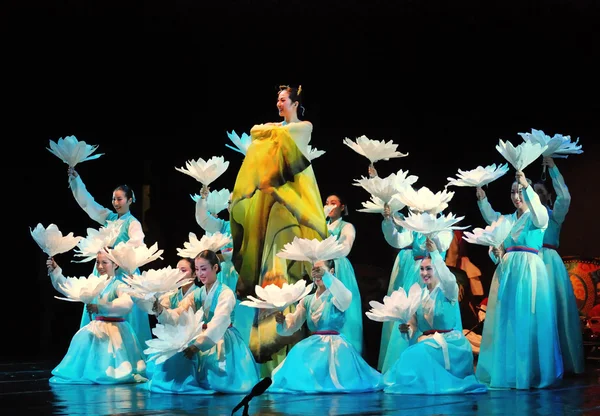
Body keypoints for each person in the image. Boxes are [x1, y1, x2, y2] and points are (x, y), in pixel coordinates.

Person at [229, 85, 328, 372]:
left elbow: (272, 136)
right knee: (270, 273)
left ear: (295, 103)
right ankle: (269, 355)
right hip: (271, 205)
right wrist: (267, 132)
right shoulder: (276, 129)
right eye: (277, 100)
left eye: (283, 99)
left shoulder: (303, 126)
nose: (278, 104)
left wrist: (268, 132)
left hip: (294, 204)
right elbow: (255, 132)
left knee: (291, 273)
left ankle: (293, 355)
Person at [475, 170, 563, 389]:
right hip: (507, 271)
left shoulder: (537, 216)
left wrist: (528, 187)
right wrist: (495, 252)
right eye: (513, 192)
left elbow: (541, 216)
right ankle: (509, 372)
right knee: (508, 321)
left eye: (521, 191)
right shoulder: (506, 220)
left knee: (528, 318)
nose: (516, 196)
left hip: (529, 269)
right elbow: (494, 229)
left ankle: (530, 372)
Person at [382, 239, 487, 395]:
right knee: (407, 356)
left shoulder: (448, 290)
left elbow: (449, 278)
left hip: (450, 343)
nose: (424, 273)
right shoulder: (418, 295)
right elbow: (413, 326)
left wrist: (436, 255)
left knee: (418, 353)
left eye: (429, 269)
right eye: (422, 269)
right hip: (427, 343)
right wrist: (406, 330)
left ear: (437, 269)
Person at [148, 250, 259, 394]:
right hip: (202, 335)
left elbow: (220, 321)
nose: (200, 274)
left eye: (204, 269)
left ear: (215, 268)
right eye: (198, 269)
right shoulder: (198, 293)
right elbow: (179, 313)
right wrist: (162, 311)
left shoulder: (226, 293)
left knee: (218, 380)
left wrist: (198, 346)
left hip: (221, 338)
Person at [67, 167, 152, 345]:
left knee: (122, 310)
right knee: (98, 308)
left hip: (123, 272)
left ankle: (126, 350)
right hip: (103, 271)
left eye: (120, 199)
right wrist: (76, 181)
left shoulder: (132, 222)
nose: (116, 202)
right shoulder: (109, 218)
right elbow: (88, 205)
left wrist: (115, 253)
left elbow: (138, 242)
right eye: (114, 199)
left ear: (130, 200)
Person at [269, 260, 382, 393]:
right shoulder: (307, 300)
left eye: (320, 270)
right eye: (314, 271)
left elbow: (346, 297)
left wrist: (327, 276)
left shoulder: (337, 297)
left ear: (332, 272)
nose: (317, 274)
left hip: (336, 346)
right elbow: (293, 324)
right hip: (313, 343)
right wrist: (283, 322)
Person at [47, 251, 147, 384]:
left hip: (115, 331)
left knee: (112, 365)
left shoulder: (119, 285)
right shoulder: (94, 284)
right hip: (96, 329)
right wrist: (55, 272)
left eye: (104, 263)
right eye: (97, 262)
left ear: (115, 264)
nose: (100, 266)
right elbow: (69, 287)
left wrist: (100, 307)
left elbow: (126, 304)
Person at [377, 202, 454, 373]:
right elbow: (398, 240)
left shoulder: (443, 226)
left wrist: (431, 233)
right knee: (412, 313)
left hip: (436, 271)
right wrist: (389, 221)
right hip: (416, 274)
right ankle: (406, 367)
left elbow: (442, 245)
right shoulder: (414, 227)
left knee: (435, 314)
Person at [532, 156, 584, 375]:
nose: (537, 197)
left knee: (555, 311)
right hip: (531, 264)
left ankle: (561, 362)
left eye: (541, 193)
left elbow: (565, 196)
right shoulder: (525, 220)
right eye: (533, 194)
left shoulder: (555, 216)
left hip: (550, 264)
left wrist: (552, 169)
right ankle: (536, 363)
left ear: (548, 196)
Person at [195, 187, 253, 346]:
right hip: (224, 274)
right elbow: (203, 220)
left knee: (242, 317)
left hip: (242, 276)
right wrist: (203, 200)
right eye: (228, 202)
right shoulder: (223, 225)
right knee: (222, 314)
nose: (229, 205)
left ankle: (242, 352)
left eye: (234, 202)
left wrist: (221, 257)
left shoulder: (251, 228)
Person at [323, 194, 363, 354]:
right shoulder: (321, 225)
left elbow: (345, 247)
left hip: (339, 267)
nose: (329, 206)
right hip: (321, 267)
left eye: (333, 203)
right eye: (326, 203)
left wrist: (326, 251)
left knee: (343, 308)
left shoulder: (346, 227)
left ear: (342, 207)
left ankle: (347, 351)